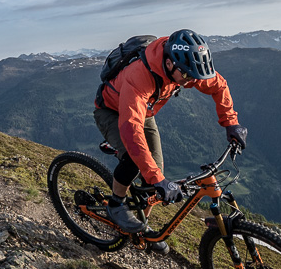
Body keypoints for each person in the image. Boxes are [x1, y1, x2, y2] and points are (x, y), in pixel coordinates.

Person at [94, 29, 247, 237]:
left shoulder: (185, 68)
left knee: (153, 175)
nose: (190, 81)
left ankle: (141, 230)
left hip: (144, 112)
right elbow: (131, 130)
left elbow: (219, 86)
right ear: (168, 64)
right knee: (134, 160)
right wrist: (157, 178)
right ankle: (116, 204)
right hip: (111, 111)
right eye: (186, 76)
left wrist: (231, 123)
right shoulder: (139, 76)